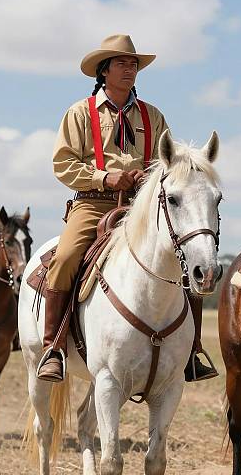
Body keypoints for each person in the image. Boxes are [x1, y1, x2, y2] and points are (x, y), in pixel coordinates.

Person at [37, 34, 217, 383]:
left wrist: (145, 178)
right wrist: (105, 178)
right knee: (66, 257)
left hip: (142, 205)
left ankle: (192, 350)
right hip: (92, 203)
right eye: (121, 64)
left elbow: (169, 165)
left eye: (133, 64)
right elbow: (63, 164)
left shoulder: (153, 116)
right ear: (103, 71)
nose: (129, 70)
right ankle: (53, 347)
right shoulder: (79, 114)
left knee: (182, 257)